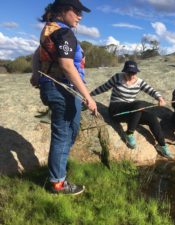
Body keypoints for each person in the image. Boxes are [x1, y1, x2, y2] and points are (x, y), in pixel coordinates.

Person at [30, 0, 98, 195]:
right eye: (76, 11)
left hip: (56, 88)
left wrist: (36, 74)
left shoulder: (49, 29)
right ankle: (58, 183)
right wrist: (88, 97)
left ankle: (57, 170)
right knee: (63, 134)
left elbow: (37, 53)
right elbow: (67, 66)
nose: (80, 16)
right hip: (62, 89)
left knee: (70, 130)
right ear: (62, 10)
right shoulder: (63, 32)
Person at [90, 61, 172, 158]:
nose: (132, 75)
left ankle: (162, 145)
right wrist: (89, 95)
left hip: (132, 112)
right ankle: (129, 134)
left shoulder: (139, 82)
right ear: (124, 71)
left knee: (152, 118)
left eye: (134, 73)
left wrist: (160, 98)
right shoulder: (117, 77)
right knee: (138, 104)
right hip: (116, 110)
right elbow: (104, 87)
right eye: (129, 73)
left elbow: (151, 91)